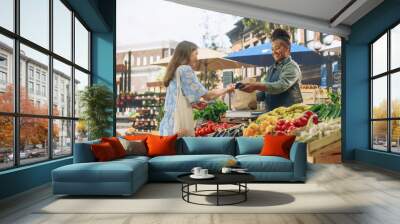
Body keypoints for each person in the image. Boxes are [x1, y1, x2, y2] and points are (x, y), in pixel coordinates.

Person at [159, 41, 235, 136]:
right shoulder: (185, 69)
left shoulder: (174, 71)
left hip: (168, 124)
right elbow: (208, 96)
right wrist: (227, 89)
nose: (197, 58)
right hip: (178, 125)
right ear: (187, 54)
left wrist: (194, 104)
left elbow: (177, 98)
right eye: (195, 54)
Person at [240, 28, 303, 111]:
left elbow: (280, 86)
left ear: (288, 49)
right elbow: (264, 94)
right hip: (272, 115)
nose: (274, 52)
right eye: (272, 49)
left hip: (289, 115)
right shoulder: (271, 68)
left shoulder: (292, 66)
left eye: (277, 48)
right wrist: (247, 97)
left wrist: (255, 85)